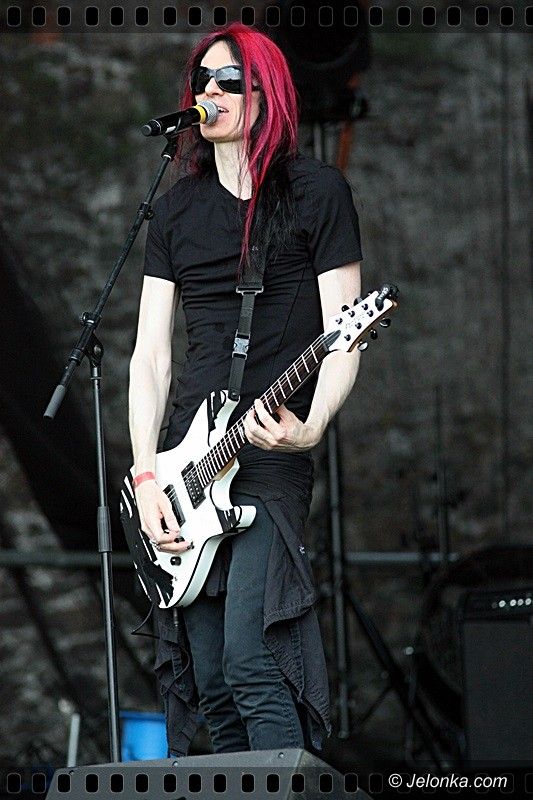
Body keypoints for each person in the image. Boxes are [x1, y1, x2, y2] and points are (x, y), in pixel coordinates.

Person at [127, 22, 363, 756]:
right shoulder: (174, 211)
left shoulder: (317, 193)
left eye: (230, 80)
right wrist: (146, 477)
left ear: (267, 94)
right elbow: (150, 356)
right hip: (186, 468)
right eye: (203, 80)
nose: (212, 91)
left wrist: (311, 426)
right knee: (212, 683)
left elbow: (345, 334)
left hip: (267, 454)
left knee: (252, 660)